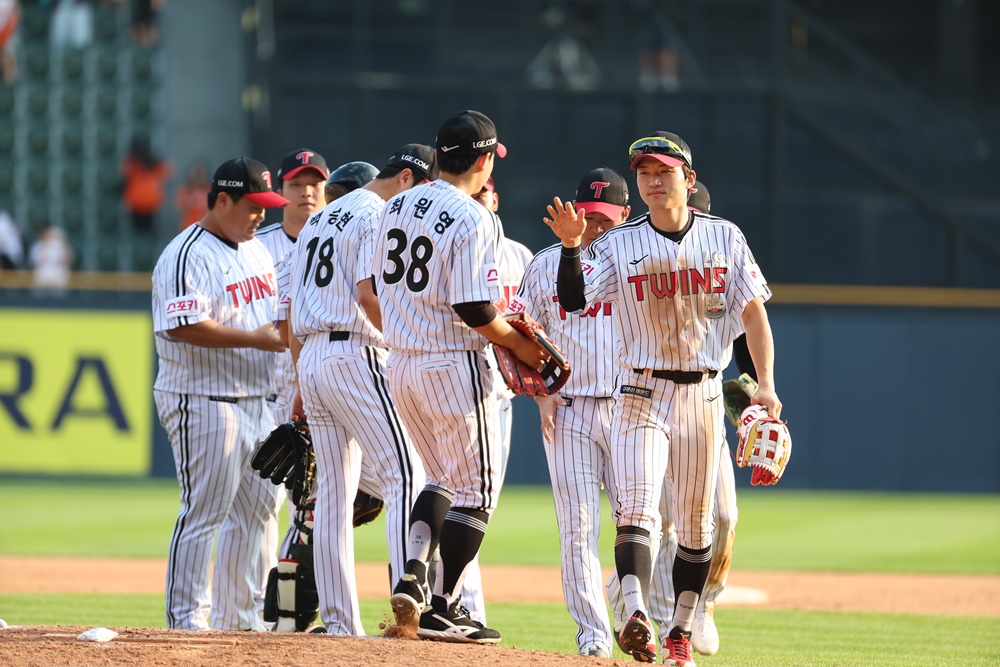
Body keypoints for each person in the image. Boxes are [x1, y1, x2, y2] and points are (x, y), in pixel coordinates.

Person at [547, 131, 781, 665]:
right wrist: (569, 248)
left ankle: (680, 628)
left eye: (663, 171)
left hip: (700, 394)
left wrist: (764, 384)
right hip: (640, 389)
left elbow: (753, 315)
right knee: (637, 507)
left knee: (699, 526)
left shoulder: (725, 237)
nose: (652, 180)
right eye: (644, 172)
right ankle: (632, 612)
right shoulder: (619, 242)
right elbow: (573, 298)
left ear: (688, 179)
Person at [378, 110, 546, 644]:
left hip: (400, 363)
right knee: (476, 494)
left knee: (440, 480)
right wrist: (523, 346)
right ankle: (443, 606)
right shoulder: (476, 218)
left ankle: (412, 573)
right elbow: (475, 307)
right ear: (482, 159)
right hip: (452, 363)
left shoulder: (396, 203)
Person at [285, 144, 435, 636]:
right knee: (407, 475)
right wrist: (403, 343)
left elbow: (293, 312)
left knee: (331, 494)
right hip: (356, 350)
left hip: (313, 355)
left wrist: (302, 381)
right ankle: (408, 608)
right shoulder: (378, 213)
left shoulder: (320, 219)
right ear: (408, 180)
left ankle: (339, 625)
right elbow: (368, 295)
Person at [606, 179, 745, 657]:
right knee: (650, 515)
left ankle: (700, 606)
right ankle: (647, 610)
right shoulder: (644, 259)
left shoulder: (721, 259)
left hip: (704, 402)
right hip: (650, 394)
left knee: (719, 517)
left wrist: (755, 392)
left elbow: (747, 333)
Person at [151, 156, 288, 631]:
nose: (261, 216)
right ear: (223, 200)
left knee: (259, 512)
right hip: (202, 397)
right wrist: (257, 339)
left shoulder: (255, 251)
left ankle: (241, 620)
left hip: (257, 400)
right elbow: (184, 325)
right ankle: (186, 620)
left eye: (266, 206)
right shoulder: (187, 253)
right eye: (252, 206)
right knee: (204, 512)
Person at [513, 166, 631, 658]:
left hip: (634, 408)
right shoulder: (544, 265)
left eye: (604, 218)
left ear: (626, 215)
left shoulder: (643, 262)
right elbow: (519, 332)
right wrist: (540, 392)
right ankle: (593, 636)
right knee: (577, 527)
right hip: (570, 409)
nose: (594, 227)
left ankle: (628, 603)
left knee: (646, 525)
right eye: (586, 216)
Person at [253, 148, 329, 624]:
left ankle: (288, 616)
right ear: (280, 192)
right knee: (261, 513)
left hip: (318, 397)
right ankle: (252, 617)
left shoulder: (341, 237)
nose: (306, 192)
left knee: (309, 515)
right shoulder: (259, 247)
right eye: (297, 184)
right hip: (264, 396)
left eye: (314, 183)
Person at [121, 135, 171, 234]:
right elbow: (167, 173)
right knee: (146, 232)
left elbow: (124, 176)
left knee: (140, 232)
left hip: (139, 202)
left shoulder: (133, 162)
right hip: (148, 202)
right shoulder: (151, 161)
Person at [29, 225, 73, 291]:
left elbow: (69, 260)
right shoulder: (37, 246)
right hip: (42, 279)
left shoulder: (59, 245)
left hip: (58, 278)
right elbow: (35, 262)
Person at [175, 160, 212, 232]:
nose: (198, 176)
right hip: (188, 229)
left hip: (208, 230)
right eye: (196, 173)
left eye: (201, 173)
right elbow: (179, 207)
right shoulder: (185, 190)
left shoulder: (210, 190)